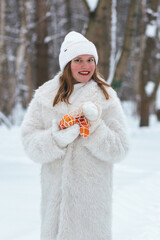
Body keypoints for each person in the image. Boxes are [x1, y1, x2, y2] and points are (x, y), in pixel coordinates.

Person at [21, 31, 129, 240]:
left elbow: (120, 148)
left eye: (90, 60)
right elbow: (29, 140)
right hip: (55, 205)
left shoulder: (106, 97)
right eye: (78, 60)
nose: (86, 66)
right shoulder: (45, 96)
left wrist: (94, 128)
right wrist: (55, 140)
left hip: (91, 206)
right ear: (67, 63)